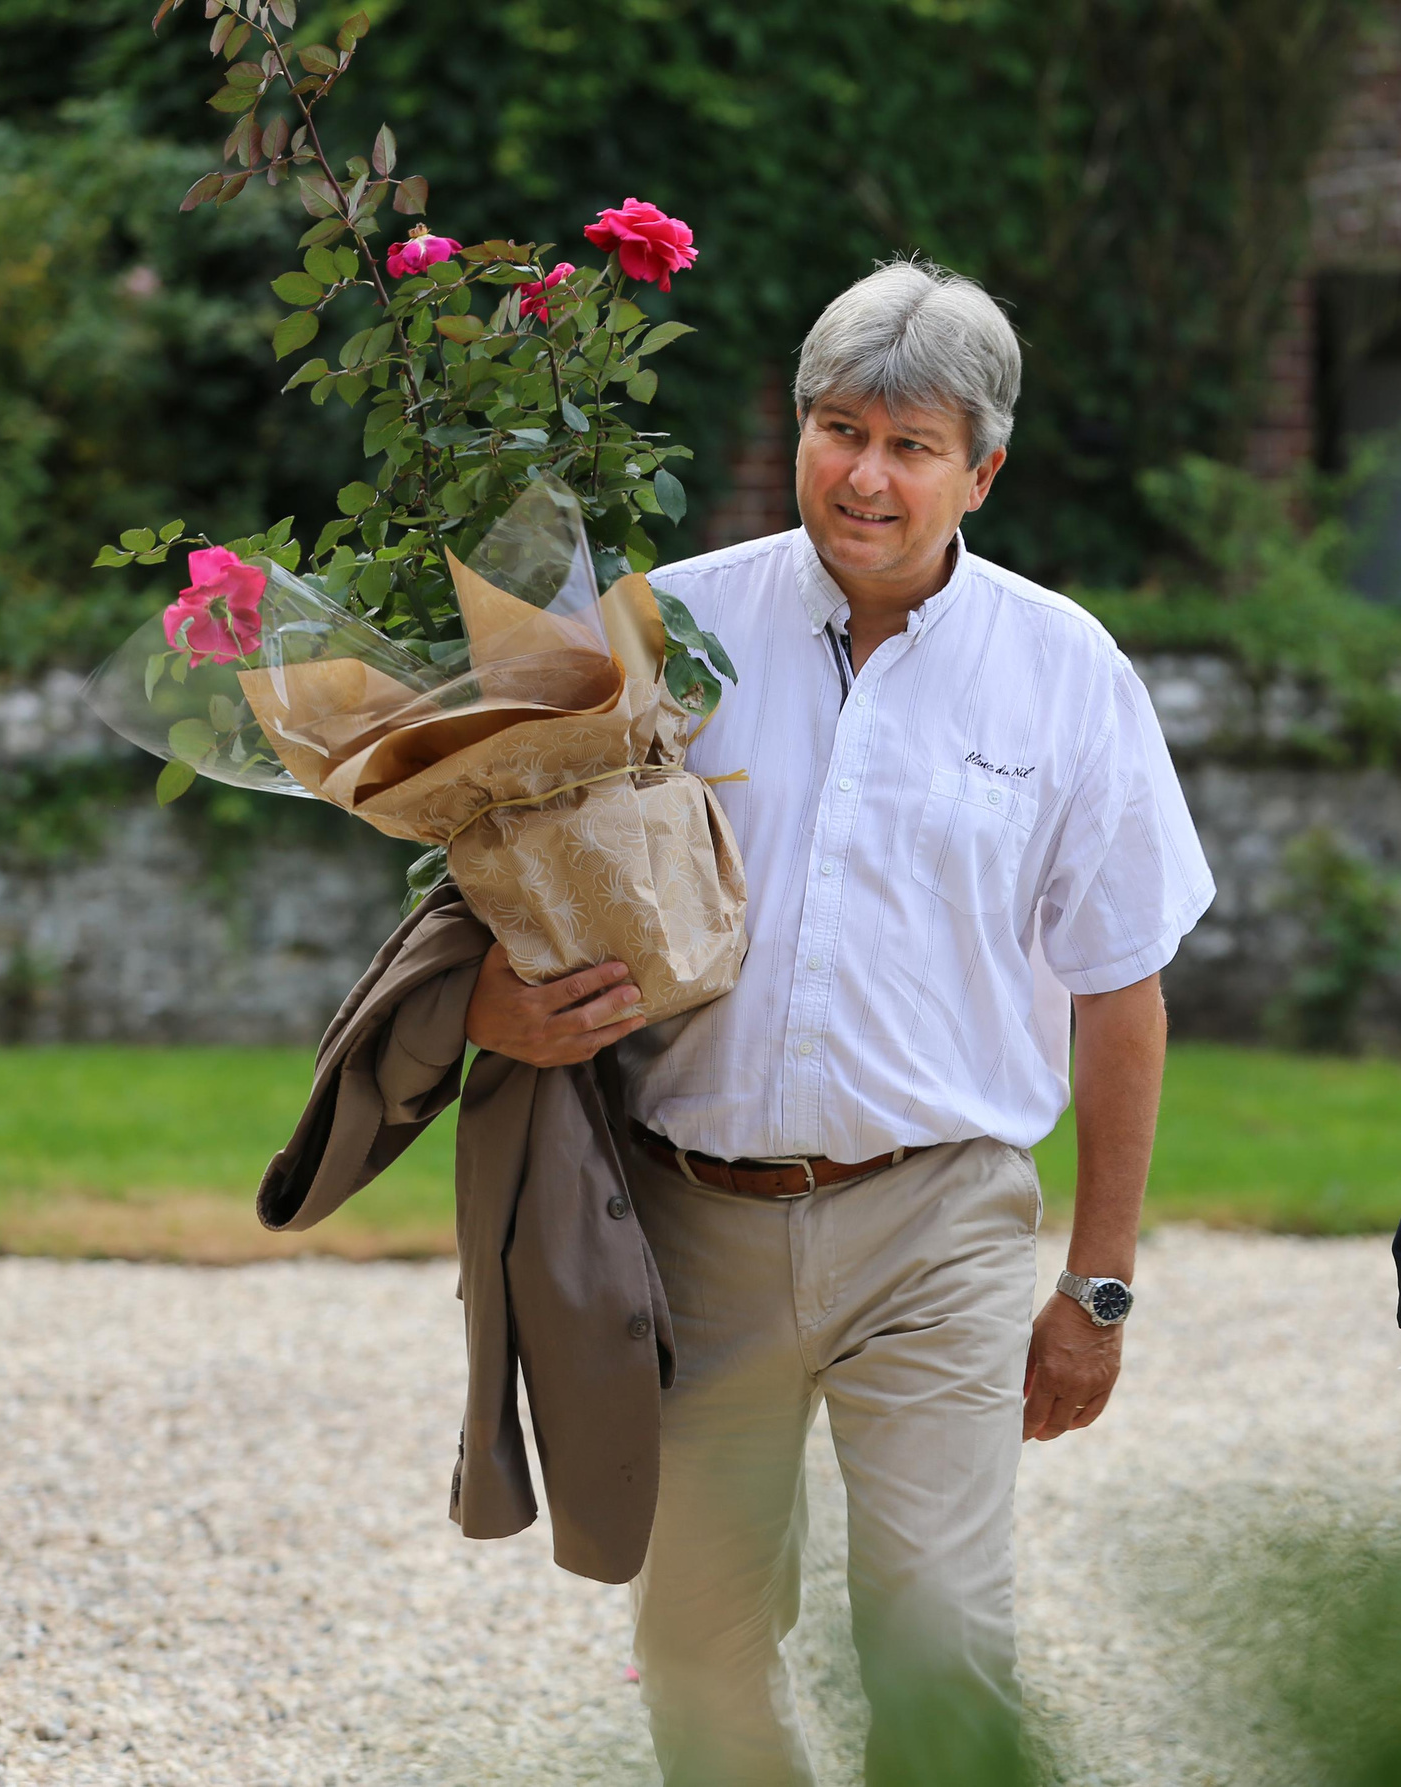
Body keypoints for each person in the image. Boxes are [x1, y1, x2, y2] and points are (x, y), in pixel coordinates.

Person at [460, 257, 1214, 1786]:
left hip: (935, 1221)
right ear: (796, 428)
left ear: (981, 470)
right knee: (696, 1639)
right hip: (690, 1223)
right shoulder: (664, 633)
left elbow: (1120, 983)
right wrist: (501, 1002)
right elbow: (502, 891)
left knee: (938, 1627)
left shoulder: (1066, 670)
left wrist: (1101, 1283)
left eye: (911, 443)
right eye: (838, 427)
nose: (865, 474)